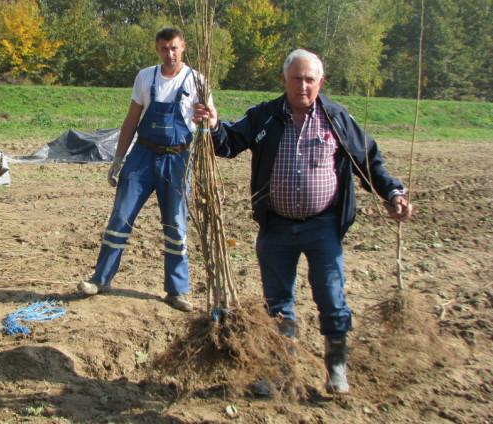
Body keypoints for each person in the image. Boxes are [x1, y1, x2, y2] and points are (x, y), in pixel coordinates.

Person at [193, 49, 414, 394]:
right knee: (276, 304)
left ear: (320, 82)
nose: (303, 85)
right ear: (284, 80)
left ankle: (336, 369)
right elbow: (229, 144)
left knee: (330, 295)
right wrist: (214, 124)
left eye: (310, 79)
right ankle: (279, 372)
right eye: (296, 78)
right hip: (276, 226)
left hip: (322, 226)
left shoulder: (337, 119)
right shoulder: (265, 116)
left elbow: (368, 161)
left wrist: (393, 194)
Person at [77, 26, 207, 312]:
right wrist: (118, 158)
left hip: (178, 160)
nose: (169, 53)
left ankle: (177, 290)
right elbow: (131, 119)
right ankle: (101, 279)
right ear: (157, 49)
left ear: (183, 47)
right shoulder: (145, 77)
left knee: (175, 223)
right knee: (120, 216)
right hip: (142, 155)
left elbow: (211, 121)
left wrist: (208, 117)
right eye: (164, 48)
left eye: (174, 47)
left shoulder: (197, 80)